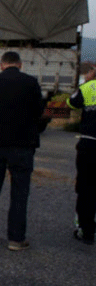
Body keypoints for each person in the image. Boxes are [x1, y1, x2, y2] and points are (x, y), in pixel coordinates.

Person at [0, 51, 44, 251]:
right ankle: (16, 239)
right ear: (20, 64)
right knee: (20, 193)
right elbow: (39, 111)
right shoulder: (30, 83)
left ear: (2, 64)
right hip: (22, 145)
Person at [67, 65, 96, 245]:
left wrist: (87, 83)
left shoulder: (88, 88)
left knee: (85, 187)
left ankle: (86, 230)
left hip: (89, 143)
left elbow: (71, 103)